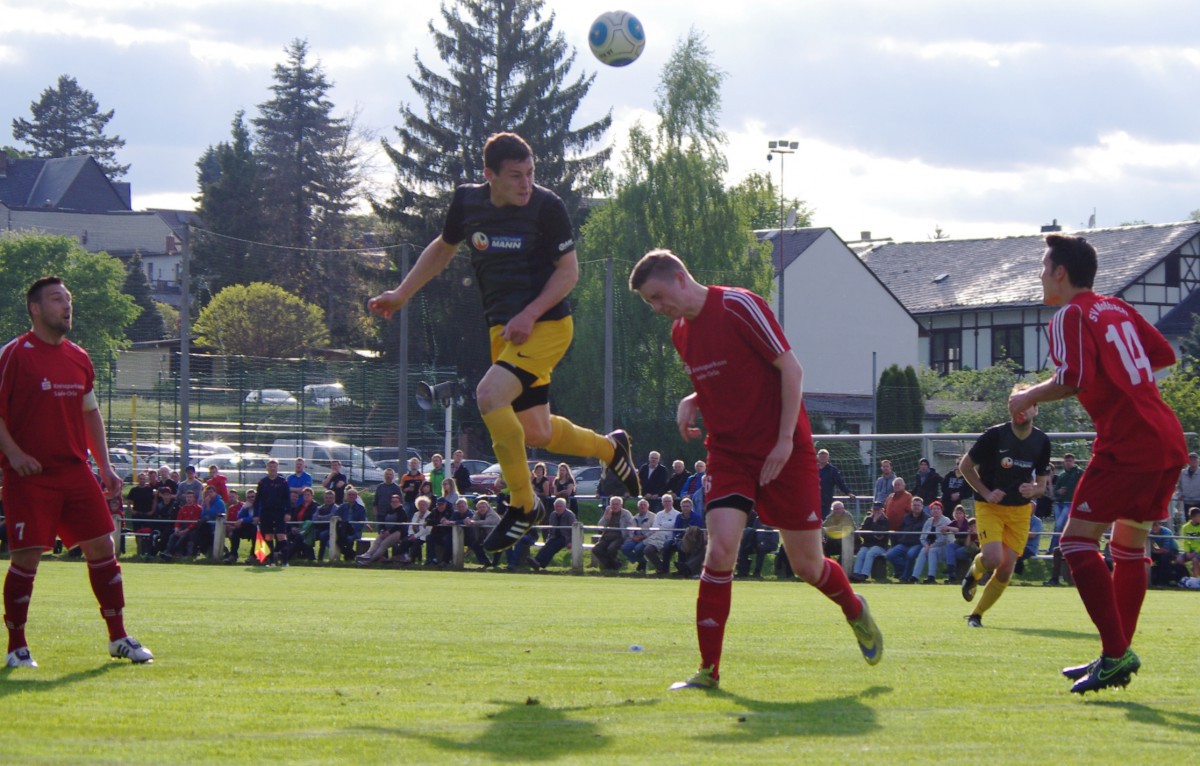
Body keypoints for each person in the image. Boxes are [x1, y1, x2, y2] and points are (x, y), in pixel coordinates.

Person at [368, 132, 640, 555]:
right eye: (516, 176)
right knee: (538, 431)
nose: (526, 183)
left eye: (530, 173)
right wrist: (402, 293)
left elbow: (568, 273)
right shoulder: (467, 203)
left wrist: (530, 313)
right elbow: (443, 248)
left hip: (547, 325)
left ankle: (523, 503)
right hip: (505, 334)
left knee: (488, 394)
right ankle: (610, 447)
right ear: (489, 176)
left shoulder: (547, 207)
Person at [630, 249, 883, 690]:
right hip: (728, 453)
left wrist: (785, 440)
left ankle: (853, 608)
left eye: (656, 296)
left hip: (784, 452)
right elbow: (722, 380)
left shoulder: (737, 305)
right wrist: (692, 401)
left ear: (678, 277)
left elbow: (790, 368)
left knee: (807, 565)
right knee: (720, 549)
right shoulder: (680, 334)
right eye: (648, 303)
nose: (656, 308)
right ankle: (708, 670)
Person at [1008, 233, 1188, 693]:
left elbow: (1073, 378)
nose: (1041, 275)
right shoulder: (1118, 308)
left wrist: (1028, 395)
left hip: (1128, 443)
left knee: (1075, 545)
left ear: (1060, 272)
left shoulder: (1070, 313)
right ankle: (1114, 654)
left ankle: (1116, 651)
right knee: (1129, 548)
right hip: (1165, 436)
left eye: (1043, 267)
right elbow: (1163, 355)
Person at [0, 278, 155, 666]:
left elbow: (89, 412)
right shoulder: (13, 355)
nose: (67, 306)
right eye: (57, 299)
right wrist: (15, 454)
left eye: (69, 299)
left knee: (103, 547)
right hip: (30, 476)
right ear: (35, 309)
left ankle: (118, 638)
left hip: (75, 471)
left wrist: (104, 465)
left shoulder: (79, 357)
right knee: (27, 559)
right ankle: (17, 647)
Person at [959, 387, 1051, 626]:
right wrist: (987, 492)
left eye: (1027, 403)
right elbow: (965, 466)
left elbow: (1041, 485)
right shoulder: (994, 435)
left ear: (1036, 409)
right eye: (1015, 403)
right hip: (990, 507)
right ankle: (975, 571)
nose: (1020, 408)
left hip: (1020, 512)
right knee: (992, 558)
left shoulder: (1042, 442)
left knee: (1005, 569)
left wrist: (1033, 489)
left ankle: (976, 615)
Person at [253, 459, 292, 566]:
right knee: (268, 536)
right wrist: (256, 515)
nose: (272, 469)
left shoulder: (283, 482)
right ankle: (271, 561)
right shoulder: (262, 482)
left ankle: (285, 561)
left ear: (277, 468)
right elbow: (257, 500)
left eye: (274, 467)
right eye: (270, 466)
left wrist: (288, 512)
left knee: (281, 535)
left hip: (279, 512)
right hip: (266, 513)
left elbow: (287, 499)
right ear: (267, 468)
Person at [1046, 452, 1083, 562]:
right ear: (1064, 462)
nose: (1068, 463)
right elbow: (1055, 492)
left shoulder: (1079, 472)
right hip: (1059, 503)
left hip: (1070, 502)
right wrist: (1059, 491)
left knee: (1059, 525)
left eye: (1070, 460)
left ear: (1074, 461)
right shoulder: (1062, 475)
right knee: (1058, 526)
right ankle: (1055, 548)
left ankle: (1053, 548)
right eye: (1066, 461)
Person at [885, 496, 928, 583]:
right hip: (904, 544)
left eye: (918, 505)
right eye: (914, 505)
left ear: (922, 506)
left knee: (910, 555)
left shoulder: (927, 519)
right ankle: (907, 571)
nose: (916, 507)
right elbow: (900, 530)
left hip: (917, 544)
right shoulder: (906, 517)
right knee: (889, 555)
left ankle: (905, 577)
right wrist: (900, 540)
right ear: (911, 506)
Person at [912, 500, 953, 583]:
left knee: (932, 550)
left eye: (938, 509)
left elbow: (944, 539)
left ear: (941, 510)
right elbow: (922, 537)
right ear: (930, 511)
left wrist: (931, 546)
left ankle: (931, 576)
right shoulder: (928, 521)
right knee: (923, 550)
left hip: (944, 548)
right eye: (933, 509)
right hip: (929, 547)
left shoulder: (946, 520)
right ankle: (915, 576)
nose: (936, 510)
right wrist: (926, 545)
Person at [849, 502, 891, 583]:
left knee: (870, 553)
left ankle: (864, 574)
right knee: (861, 553)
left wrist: (875, 522)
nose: (876, 511)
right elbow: (862, 533)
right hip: (867, 544)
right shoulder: (868, 519)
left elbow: (881, 536)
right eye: (874, 509)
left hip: (880, 546)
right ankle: (856, 573)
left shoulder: (885, 521)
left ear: (882, 510)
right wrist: (874, 536)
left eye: (878, 510)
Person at [591, 496, 634, 570]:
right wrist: (606, 518)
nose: (615, 506)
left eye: (617, 504)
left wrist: (629, 539)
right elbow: (600, 526)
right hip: (606, 536)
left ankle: (615, 565)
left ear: (621, 505)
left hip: (619, 536)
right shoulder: (608, 513)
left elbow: (631, 527)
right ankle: (611, 565)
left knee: (611, 548)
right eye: (613, 504)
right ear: (610, 505)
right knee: (596, 549)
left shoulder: (626, 514)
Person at [644, 493, 681, 575]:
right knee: (647, 550)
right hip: (657, 538)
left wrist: (662, 525)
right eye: (665, 501)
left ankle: (664, 570)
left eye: (669, 501)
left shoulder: (677, 514)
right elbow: (655, 526)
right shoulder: (659, 514)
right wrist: (665, 526)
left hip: (670, 538)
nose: (667, 503)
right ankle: (660, 567)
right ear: (662, 503)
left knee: (666, 550)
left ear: (672, 502)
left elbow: (674, 527)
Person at [817, 449, 855, 519]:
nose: (822, 458)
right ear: (817, 457)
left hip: (825, 500)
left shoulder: (832, 470)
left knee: (824, 520)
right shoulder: (813, 468)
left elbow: (840, 483)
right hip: (812, 499)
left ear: (828, 458)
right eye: (821, 456)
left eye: (824, 456)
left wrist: (848, 492)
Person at [621, 497, 656, 572]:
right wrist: (633, 537)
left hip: (647, 539)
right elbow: (630, 529)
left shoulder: (653, 517)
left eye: (644, 505)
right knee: (624, 548)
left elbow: (653, 530)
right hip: (635, 539)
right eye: (641, 505)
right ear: (638, 507)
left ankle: (642, 563)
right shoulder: (634, 518)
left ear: (647, 506)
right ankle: (641, 561)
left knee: (638, 548)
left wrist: (643, 537)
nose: (642, 506)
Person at [467, 499, 503, 567]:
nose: (482, 509)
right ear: (477, 508)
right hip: (487, 535)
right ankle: (486, 562)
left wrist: (474, 522)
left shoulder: (492, 514)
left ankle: (495, 564)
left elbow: (488, 522)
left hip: (499, 535)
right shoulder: (477, 513)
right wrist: (468, 521)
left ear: (488, 507)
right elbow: (473, 521)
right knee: (475, 545)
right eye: (480, 507)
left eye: (483, 507)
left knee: (496, 547)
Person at [1176, 453, 1200, 529]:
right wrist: (1180, 495)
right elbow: (1179, 486)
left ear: (1198, 461)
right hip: (1187, 503)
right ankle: (1191, 539)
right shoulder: (1182, 473)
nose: (1193, 461)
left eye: (1195, 459)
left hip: (1199, 502)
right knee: (1189, 523)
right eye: (1191, 459)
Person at [1180, 507, 1200, 578]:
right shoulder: (1185, 527)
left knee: (1195, 560)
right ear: (1192, 517)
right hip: (1190, 551)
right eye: (1198, 516)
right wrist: (1187, 552)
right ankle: (1186, 578)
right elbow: (1185, 541)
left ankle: (1195, 581)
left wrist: (1195, 552)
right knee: (1179, 560)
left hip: (1198, 550)